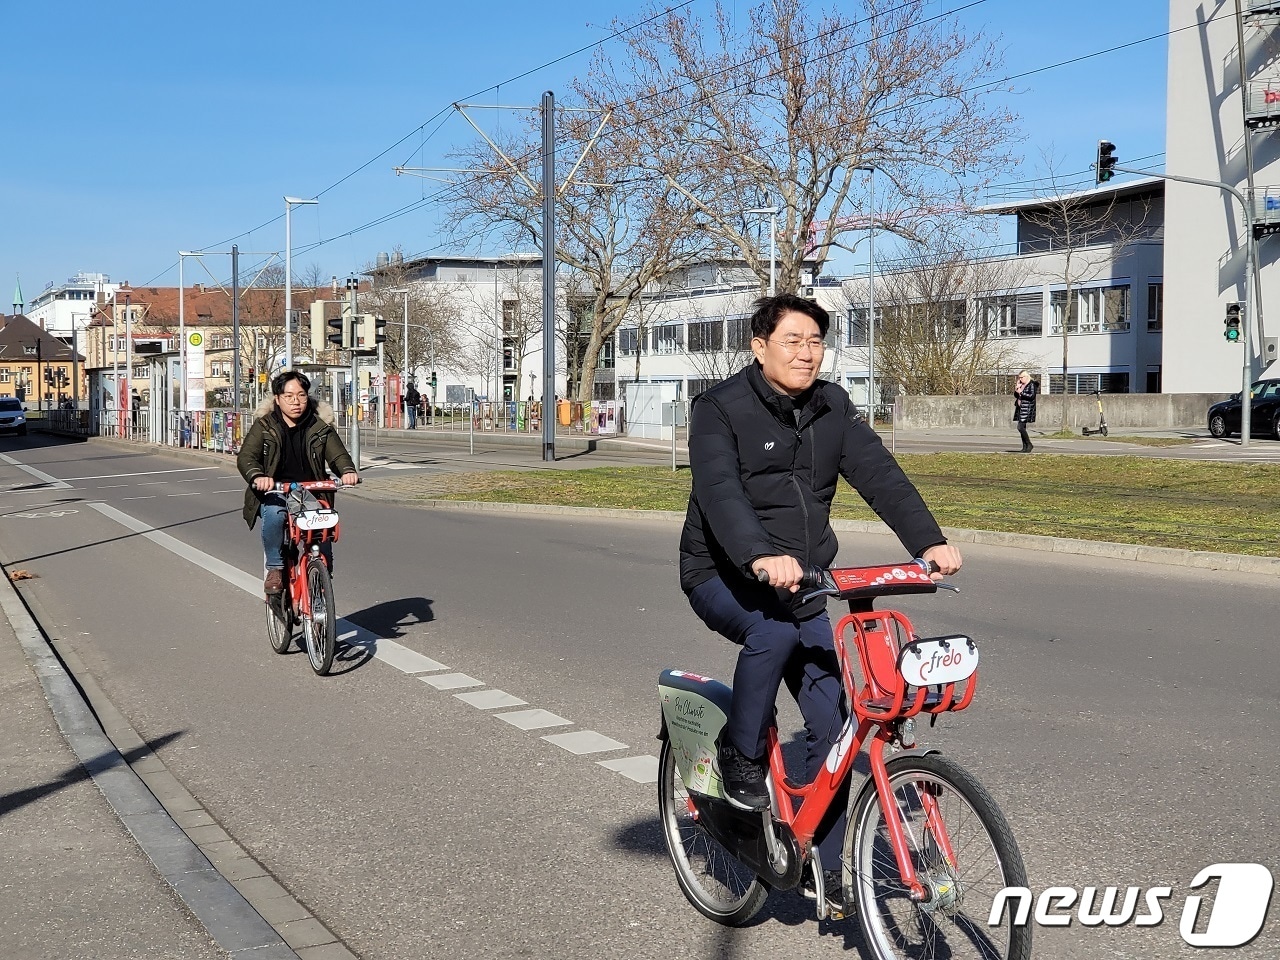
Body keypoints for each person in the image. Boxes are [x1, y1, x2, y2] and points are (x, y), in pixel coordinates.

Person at [679, 293, 962, 905]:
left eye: (815, 342)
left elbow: (880, 475)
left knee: (839, 721)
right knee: (772, 635)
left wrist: (929, 541)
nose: (806, 354)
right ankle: (741, 755)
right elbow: (721, 491)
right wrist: (758, 555)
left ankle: (830, 868)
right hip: (723, 574)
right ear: (759, 348)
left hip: (801, 581)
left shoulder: (832, 405)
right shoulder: (719, 409)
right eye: (792, 341)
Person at [237, 371, 359, 596]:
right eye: (289, 396)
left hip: (311, 492)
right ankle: (275, 567)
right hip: (276, 490)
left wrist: (348, 471)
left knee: (321, 528)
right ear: (277, 399)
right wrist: (257, 476)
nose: (296, 402)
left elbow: (338, 455)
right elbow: (247, 457)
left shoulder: (320, 427)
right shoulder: (265, 426)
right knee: (274, 515)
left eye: (301, 395)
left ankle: (319, 579)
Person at [1013, 370, 1038, 453]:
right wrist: (1017, 389)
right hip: (1020, 408)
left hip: (1027, 408)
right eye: (1019, 378)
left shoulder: (1032, 384)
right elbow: (1016, 395)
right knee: (1022, 427)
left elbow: (1031, 396)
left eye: (1021, 377)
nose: (1020, 379)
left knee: (1020, 427)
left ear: (1026, 377)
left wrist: (1021, 392)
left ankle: (1029, 444)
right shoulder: (1021, 385)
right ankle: (1025, 447)